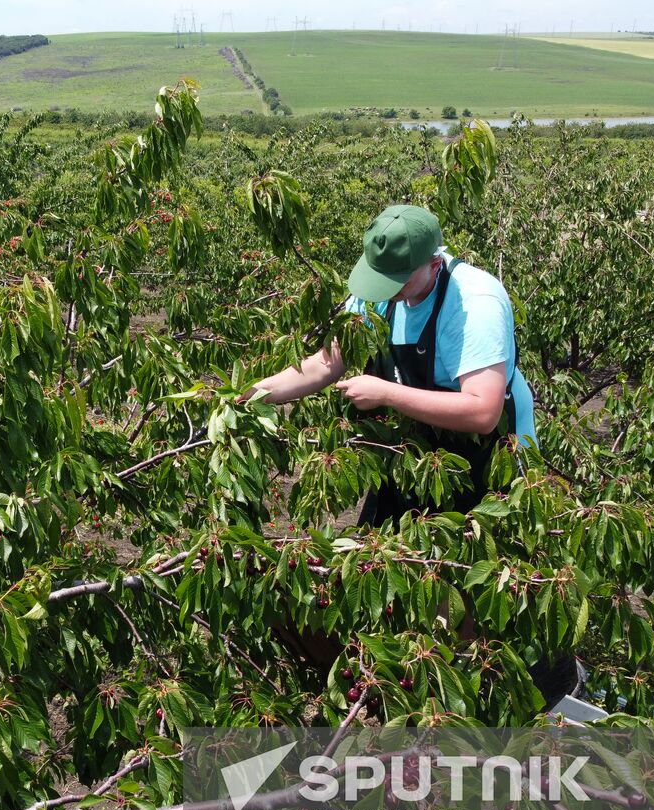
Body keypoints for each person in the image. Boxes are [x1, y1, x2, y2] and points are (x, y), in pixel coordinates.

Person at [243, 204, 574, 707]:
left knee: (477, 587)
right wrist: (252, 396)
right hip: (420, 457)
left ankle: (517, 695)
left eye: (395, 279)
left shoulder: (475, 302)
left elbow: (483, 410)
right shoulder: (378, 294)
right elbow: (325, 364)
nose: (383, 290)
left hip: (487, 459)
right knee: (393, 564)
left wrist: (386, 393)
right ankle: (410, 684)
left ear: (432, 264)